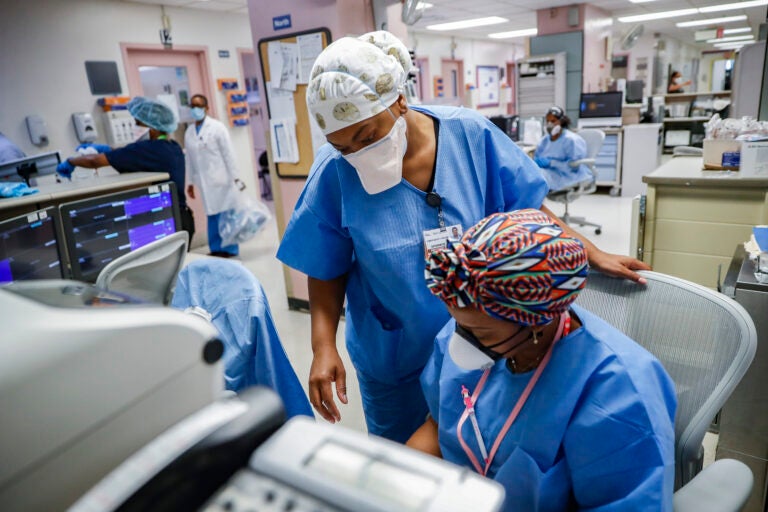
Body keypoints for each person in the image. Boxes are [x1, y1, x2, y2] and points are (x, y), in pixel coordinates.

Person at [276, 30, 650, 443]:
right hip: (393, 352)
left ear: (399, 100)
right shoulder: (334, 173)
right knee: (405, 459)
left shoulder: (469, 135)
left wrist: (591, 252)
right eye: (341, 145)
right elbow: (325, 265)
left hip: (485, 338)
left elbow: (523, 209)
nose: (357, 152)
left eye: (367, 136)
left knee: (479, 446)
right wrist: (322, 345)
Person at [408, 209, 676, 511]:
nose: (459, 340)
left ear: (535, 322)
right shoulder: (476, 317)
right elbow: (437, 425)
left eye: (480, 333)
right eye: (458, 324)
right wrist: (396, 486)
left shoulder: (619, 392)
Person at [56, 97, 194, 241]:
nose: (134, 126)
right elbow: (129, 153)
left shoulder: (147, 149)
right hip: (182, 218)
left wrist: (71, 161)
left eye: (137, 123)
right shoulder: (171, 146)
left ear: (152, 127)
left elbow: (94, 161)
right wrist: (107, 149)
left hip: (169, 222)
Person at [185, 93, 243, 258]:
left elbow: (228, 154)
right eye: (192, 106)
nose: (195, 109)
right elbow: (189, 159)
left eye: (199, 106)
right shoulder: (189, 132)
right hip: (204, 183)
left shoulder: (217, 127)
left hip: (222, 180)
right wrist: (189, 183)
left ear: (206, 108)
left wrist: (236, 178)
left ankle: (230, 249)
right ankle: (216, 248)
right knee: (212, 215)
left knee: (226, 215)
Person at [533, 106, 593, 192]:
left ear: (561, 121)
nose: (549, 124)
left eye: (553, 121)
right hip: (549, 173)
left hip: (567, 176)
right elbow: (537, 157)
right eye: (548, 121)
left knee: (536, 180)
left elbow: (575, 166)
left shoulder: (571, 140)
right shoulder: (544, 141)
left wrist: (552, 163)